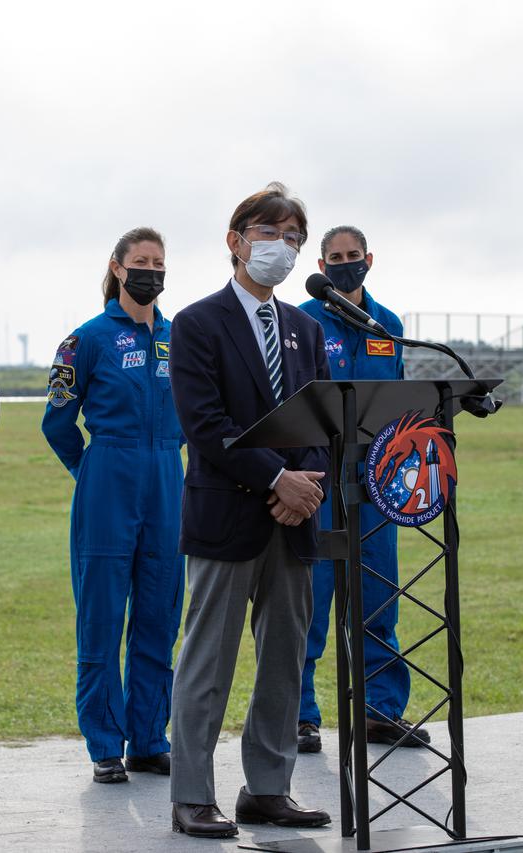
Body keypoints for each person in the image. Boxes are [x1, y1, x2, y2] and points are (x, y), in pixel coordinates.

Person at [167, 183, 333, 839]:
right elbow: (206, 424)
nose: (282, 247)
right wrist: (277, 478)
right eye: (269, 233)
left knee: (285, 657)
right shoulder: (197, 323)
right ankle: (191, 795)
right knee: (208, 659)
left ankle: (268, 787)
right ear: (235, 241)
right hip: (226, 514)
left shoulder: (306, 328)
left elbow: (323, 420)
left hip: (295, 521)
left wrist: (307, 486)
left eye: (293, 237)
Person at [41, 227, 185, 784]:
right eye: (141, 261)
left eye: (159, 262)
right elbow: (57, 421)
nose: (151, 270)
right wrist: (91, 471)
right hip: (108, 480)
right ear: (118, 268)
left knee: (159, 615)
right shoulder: (88, 339)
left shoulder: (181, 337)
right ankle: (104, 742)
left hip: (167, 480)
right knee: (101, 618)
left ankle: (149, 738)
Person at [296, 226, 429, 753]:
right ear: (321, 265)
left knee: (378, 598)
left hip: (376, 481)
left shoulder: (387, 324)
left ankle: (380, 710)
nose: (346, 264)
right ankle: (299, 715)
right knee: (311, 601)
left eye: (354, 256)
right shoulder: (301, 321)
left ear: (369, 260)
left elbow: (398, 403)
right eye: (336, 258)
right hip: (317, 480)